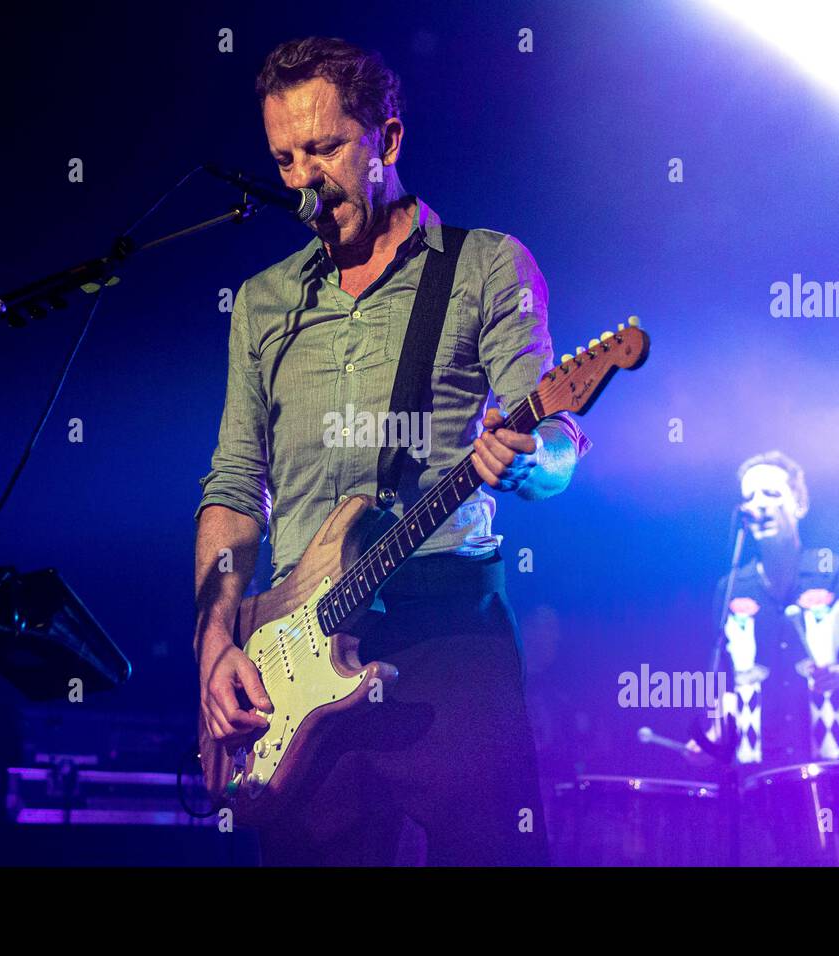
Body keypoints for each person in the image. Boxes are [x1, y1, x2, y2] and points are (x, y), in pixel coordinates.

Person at [193, 37, 591, 865]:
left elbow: (555, 440)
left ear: (389, 140)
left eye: (326, 147)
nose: (302, 177)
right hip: (294, 657)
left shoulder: (485, 267)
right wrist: (216, 642)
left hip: (447, 630)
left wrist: (526, 461)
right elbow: (235, 482)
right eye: (284, 158)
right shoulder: (264, 303)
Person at [685, 451, 839, 771]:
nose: (759, 504)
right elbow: (729, 685)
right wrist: (713, 736)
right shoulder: (731, 588)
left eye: (771, 494)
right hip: (758, 775)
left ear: (800, 505)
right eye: (749, 497)